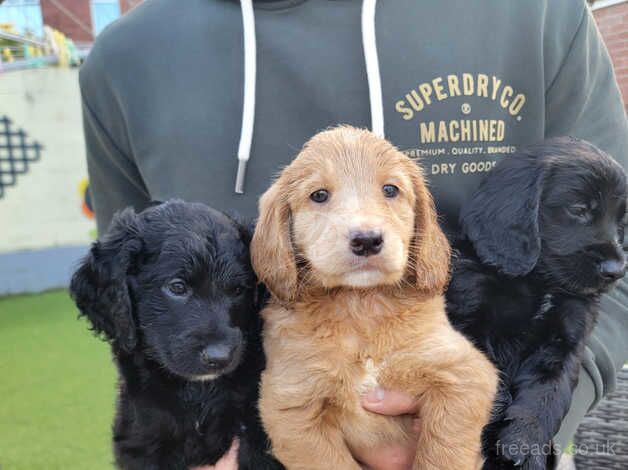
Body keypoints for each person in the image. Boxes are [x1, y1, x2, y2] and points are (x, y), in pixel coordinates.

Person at [80, 0, 628, 468]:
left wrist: (513, 435)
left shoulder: (538, 12)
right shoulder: (124, 58)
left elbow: (615, 257)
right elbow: (136, 308)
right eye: (318, 197)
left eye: (391, 192)